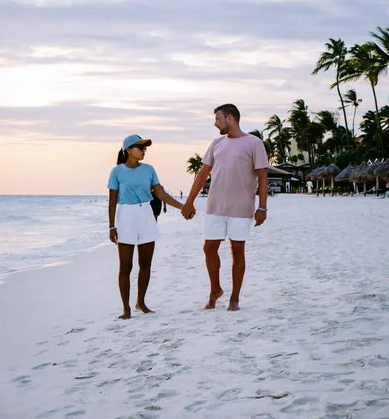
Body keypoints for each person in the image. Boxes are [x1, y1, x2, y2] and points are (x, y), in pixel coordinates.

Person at [182, 104, 269, 312]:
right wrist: (189, 201)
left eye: (218, 119)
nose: (215, 123)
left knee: (237, 251)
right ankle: (215, 289)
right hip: (215, 206)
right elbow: (203, 173)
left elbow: (262, 176)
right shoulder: (216, 143)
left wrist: (263, 207)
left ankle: (234, 298)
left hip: (241, 207)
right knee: (208, 248)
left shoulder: (254, 143)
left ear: (230, 118)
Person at [108, 134, 184, 320]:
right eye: (140, 147)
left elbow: (161, 194)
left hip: (146, 215)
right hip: (126, 216)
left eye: (145, 148)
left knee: (146, 264)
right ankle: (126, 308)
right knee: (125, 267)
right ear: (128, 150)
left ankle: (140, 302)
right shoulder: (117, 171)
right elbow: (112, 201)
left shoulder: (149, 169)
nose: (144, 150)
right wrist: (111, 227)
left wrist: (183, 207)